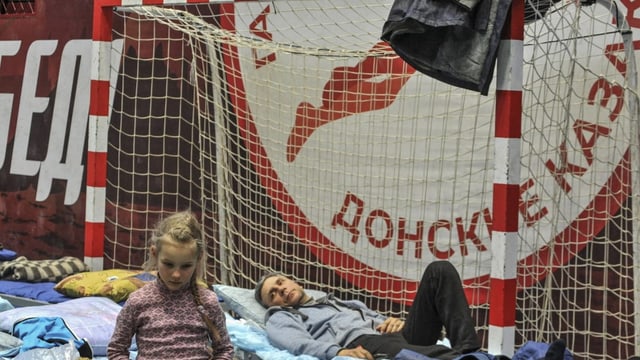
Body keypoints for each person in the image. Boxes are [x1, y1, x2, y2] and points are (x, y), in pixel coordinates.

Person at [254, 261, 481, 360]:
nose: (281, 291)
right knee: (400, 350)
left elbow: (378, 320)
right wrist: (337, 352)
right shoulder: (280, 316)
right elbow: (297, 344)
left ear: (293, 281)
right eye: (272, 294)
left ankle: (469, 351)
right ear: (270, 305)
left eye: (281, 283)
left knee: (439, 270)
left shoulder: (341, 302)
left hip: (394, 335)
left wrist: (394, 321)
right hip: (362, 343)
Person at [108, 211, 234, 360]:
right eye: (168, 264)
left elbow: (224, 350)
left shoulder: (208, 302)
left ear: (198, 259)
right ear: (154, 254)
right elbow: (116, 351)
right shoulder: (138, 301)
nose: (176, 275)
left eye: (186, 266)